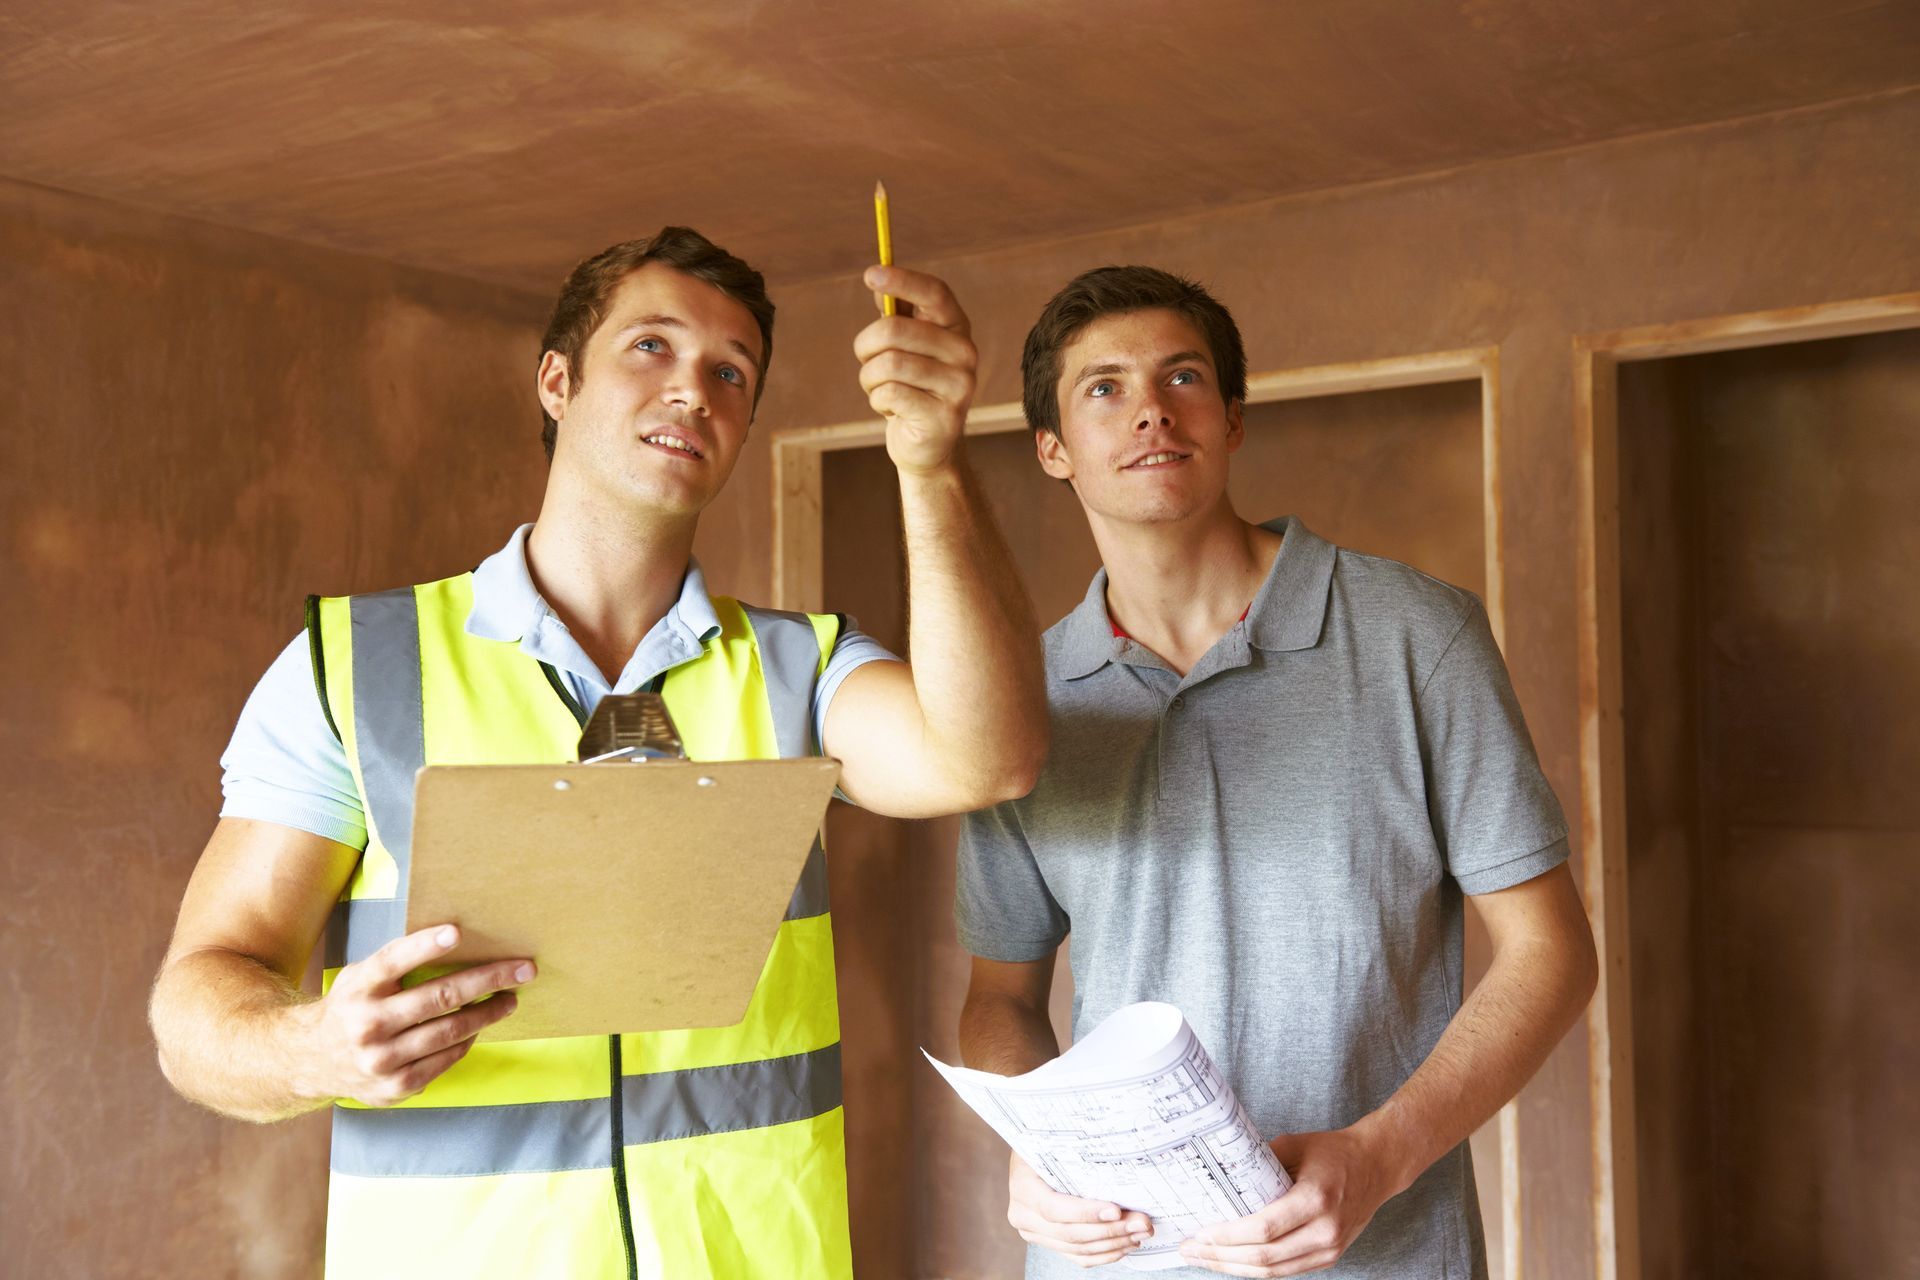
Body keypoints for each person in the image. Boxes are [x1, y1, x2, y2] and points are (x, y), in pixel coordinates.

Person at [149, 226, 1046, 1279]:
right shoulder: (354, 667)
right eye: (650, 347)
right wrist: (313, 1046)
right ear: (557, 380)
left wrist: (933, 464)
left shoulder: (803, 666)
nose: (693, 389)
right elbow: (199, 1002)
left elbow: (983, 759)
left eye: (731, 371)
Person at [955, 266, 1597, 1278]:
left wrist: (1380, 1156)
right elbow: (1000, 995)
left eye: (1183, 376)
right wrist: (1035, 1148)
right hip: (1116, 1263)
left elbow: (1552, 951)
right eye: (1104, 388)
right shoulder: (1022, 702)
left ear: (1232, 418)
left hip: (1383, 1255)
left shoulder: (1416, 635)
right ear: (1052, 448)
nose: (1152, 410)